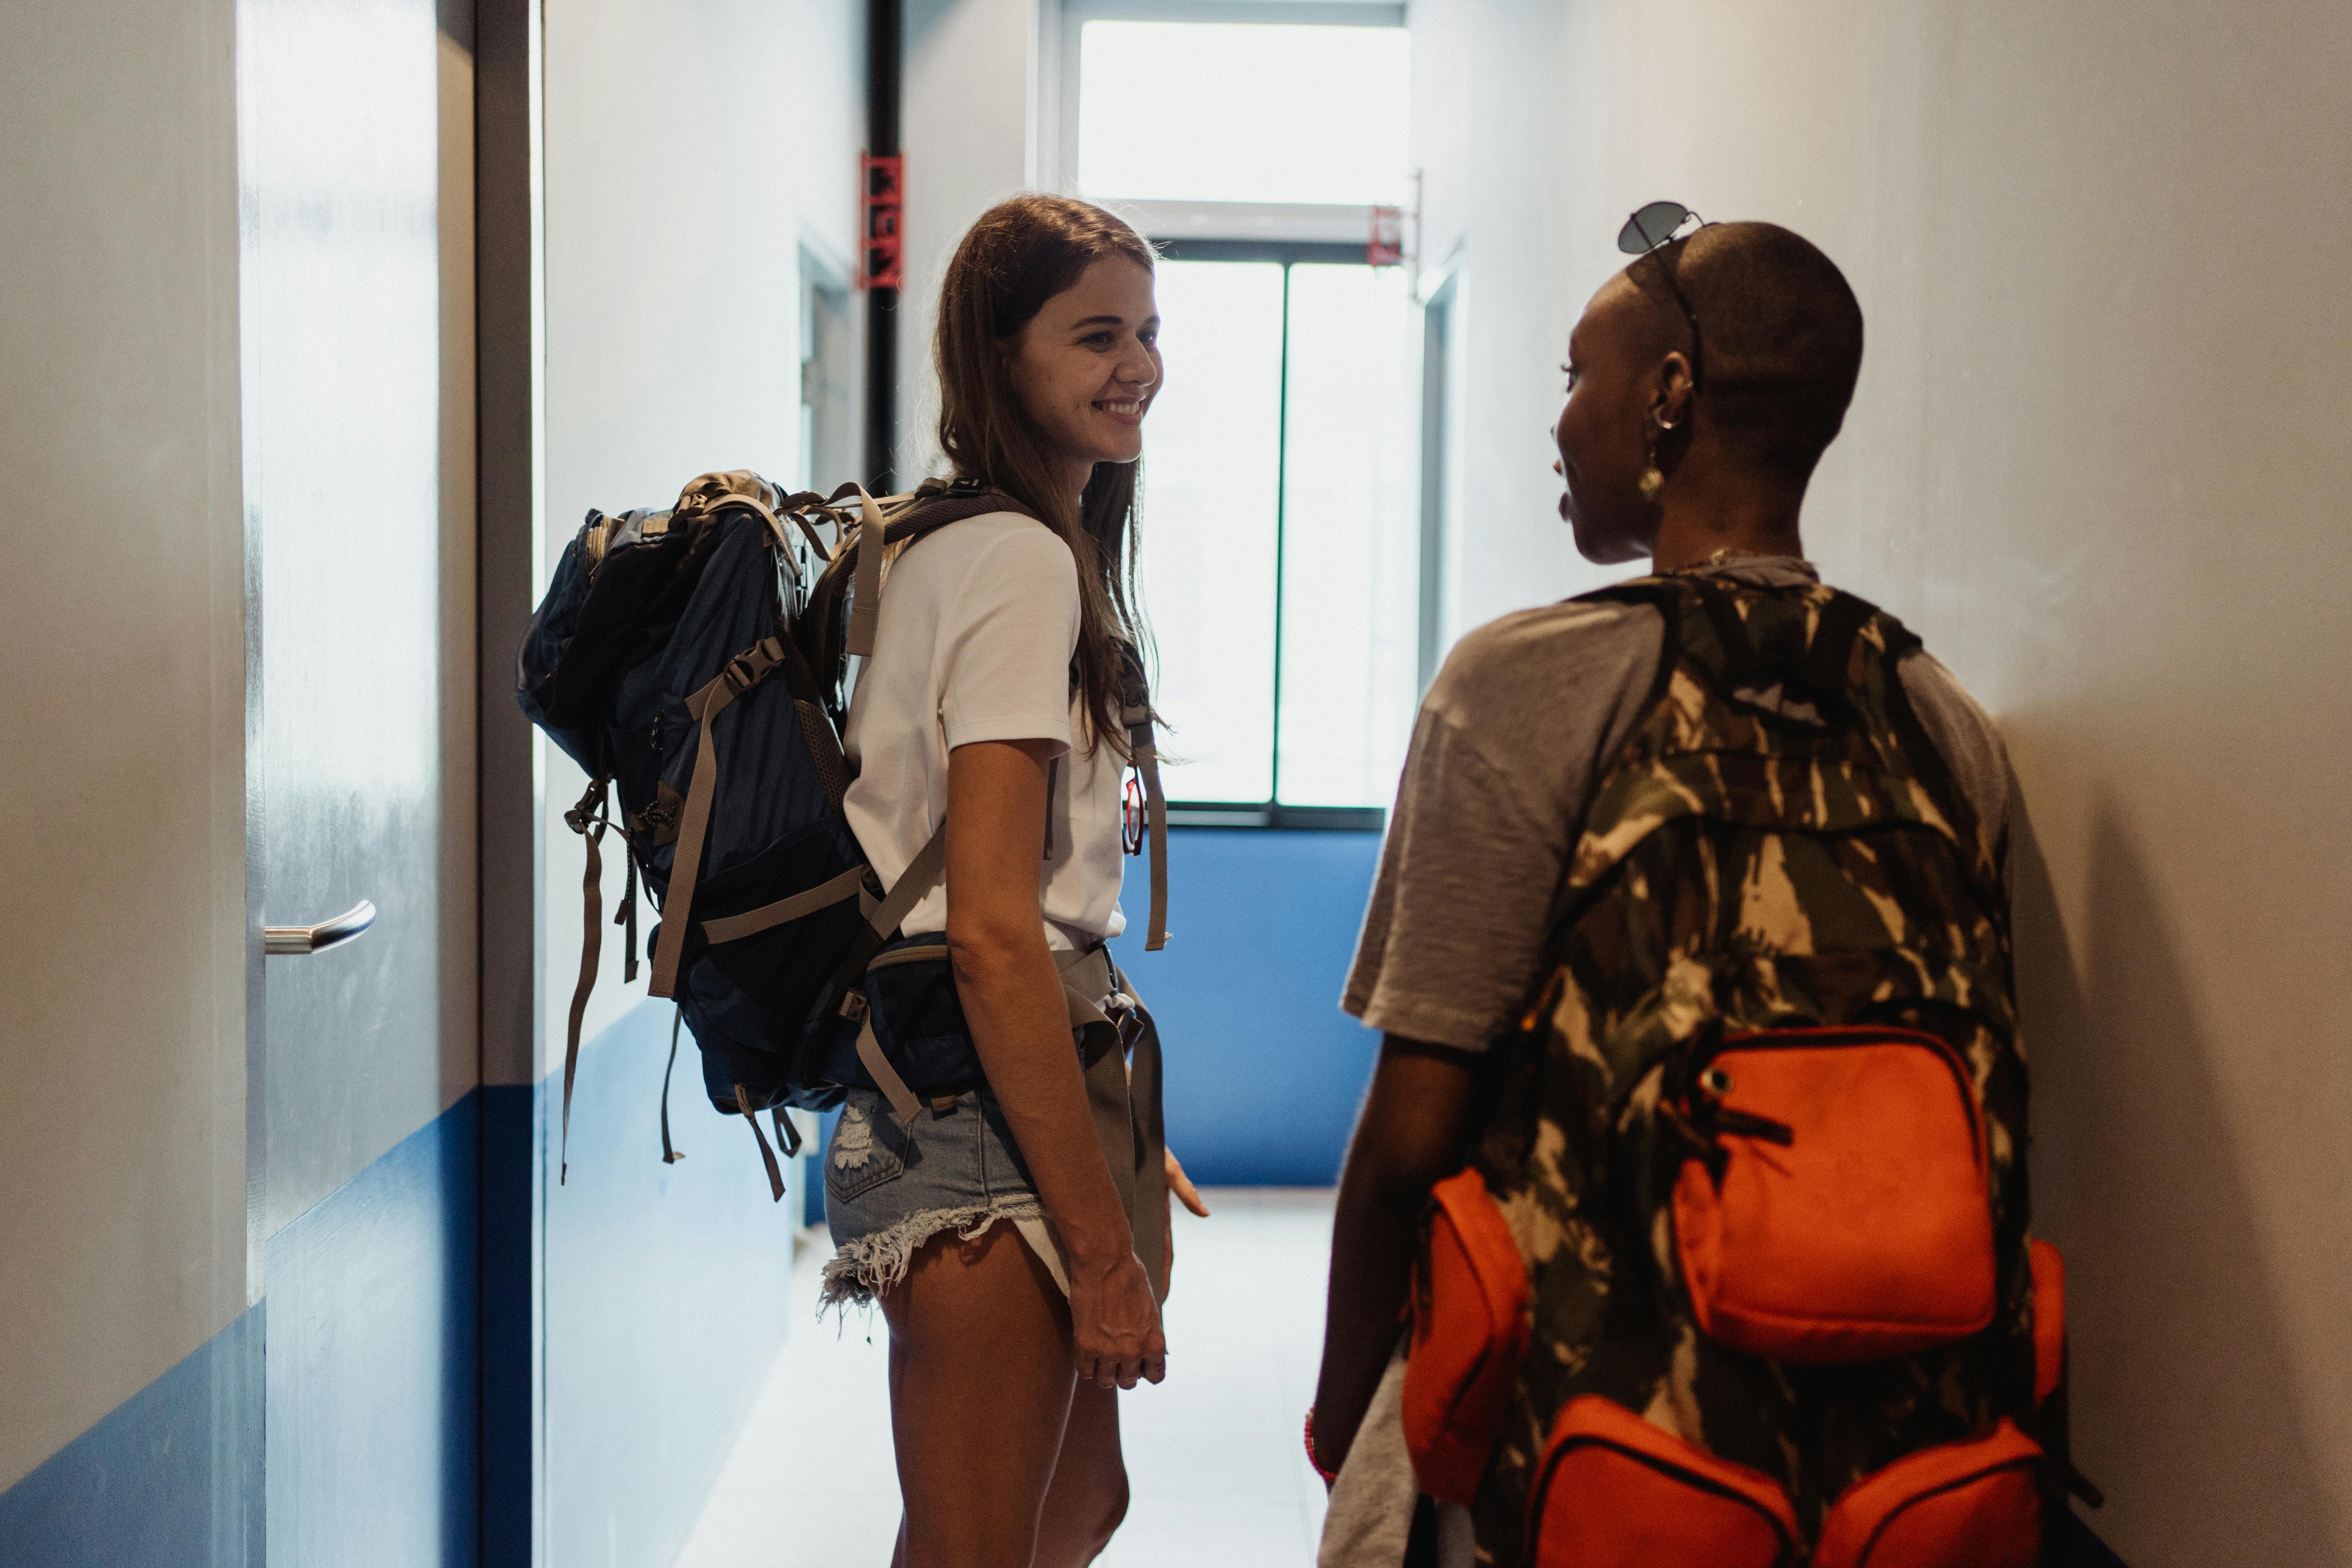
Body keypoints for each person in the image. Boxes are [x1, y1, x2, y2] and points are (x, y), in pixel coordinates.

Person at [1309, 217, 2027, 1565]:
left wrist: (1347, 1410)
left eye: (1577, 376)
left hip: (1591, 1449)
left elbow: (1411, 1144)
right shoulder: (1948, 725)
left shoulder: (1516, 686)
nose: (1560, 423)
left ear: (1670, 395)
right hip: (1890, 1473)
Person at [818, 193, 1209, 1568]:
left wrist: (1101, 1111)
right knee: (980, 1547)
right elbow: (989, 926)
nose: (1138, 365)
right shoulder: (1019, 561)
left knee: (1073, 1505)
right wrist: (1100, 1248)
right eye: (1095, 335)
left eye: (1149, 331)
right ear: (1001, 359)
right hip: (972, 1117)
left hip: (995, 1082)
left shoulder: (974, 545)